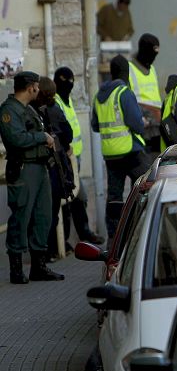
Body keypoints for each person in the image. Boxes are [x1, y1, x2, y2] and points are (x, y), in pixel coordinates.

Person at [0, 71, 64, 283]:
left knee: (43, 217)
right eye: (37, 86)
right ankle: (16, 269)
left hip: (39, 167)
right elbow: (16, 138)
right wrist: (41, 136)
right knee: (21, 216)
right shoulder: (9, 111)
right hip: (24, 169)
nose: (39, 90)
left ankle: (39, 266)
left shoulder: (29, 110)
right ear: (30, 88)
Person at [91, 55, 149, 241]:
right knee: (144, 187)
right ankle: (137, 231)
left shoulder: (99, 96)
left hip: (110, 154)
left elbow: (95, 125)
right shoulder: (123, 92)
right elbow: (137, 125)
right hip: (129, 151)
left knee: (114, 195)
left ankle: (114, 237)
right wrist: (143, 122)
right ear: (126, 72)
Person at [53, 67, 104, 246]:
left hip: (76, 159)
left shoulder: (67, 101)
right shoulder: (57, 101)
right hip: (65, 159)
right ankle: (70, 238)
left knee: (75, 198)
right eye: (67, 80)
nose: (71, 84)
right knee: (73, 198)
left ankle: (79, 235)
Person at [34, 78, 74, 261]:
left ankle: (46, 252)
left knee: (44, 213)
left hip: (46, 168)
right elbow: (68, 133)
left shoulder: (35, 111)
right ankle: (50, 251)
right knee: (53, 212)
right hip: (56, 168)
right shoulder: (55, 110)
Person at [128, 33, 162, 155]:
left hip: (156, 123)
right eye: (151, 54)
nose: (153, 58)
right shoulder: (130, 69)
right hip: (143, 122)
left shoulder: (152, 69)